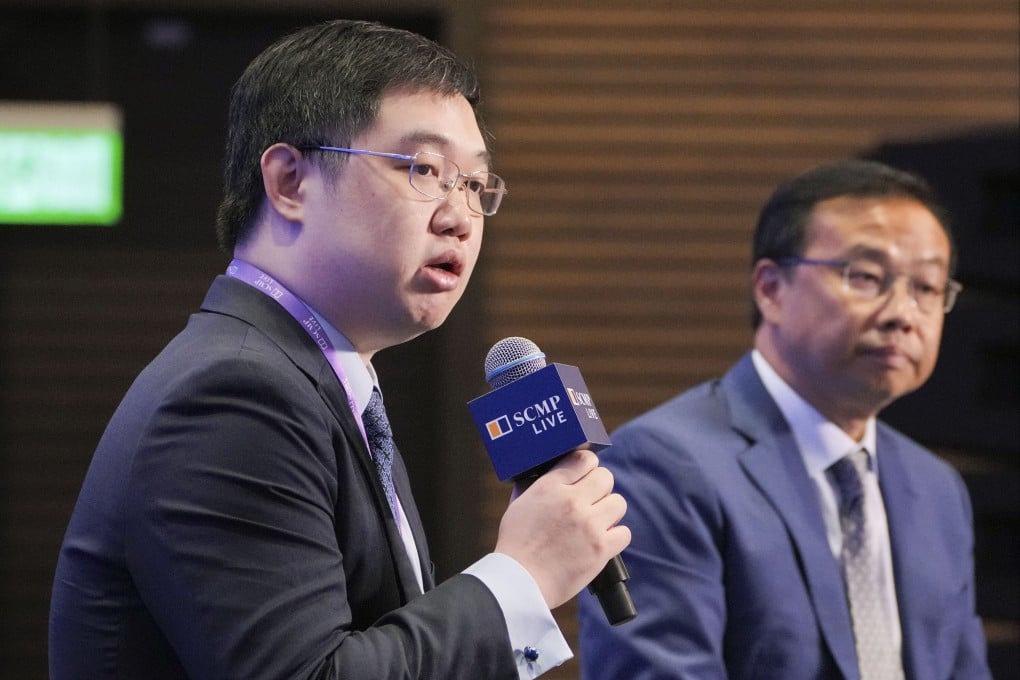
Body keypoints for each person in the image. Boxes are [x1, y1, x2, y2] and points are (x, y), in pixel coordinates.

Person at [49, 20, 630, 680]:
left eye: (474, 184)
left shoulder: (332, 388)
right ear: (290, 181)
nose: (460, 215)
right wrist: (521, 579)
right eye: (425, 169)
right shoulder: (234, 394)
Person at [577, 159, 992, 679]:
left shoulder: (937, 490)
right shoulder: (662, 463)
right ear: (771, 289)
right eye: (866, 277)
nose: (903, 314)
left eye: (927, 288)